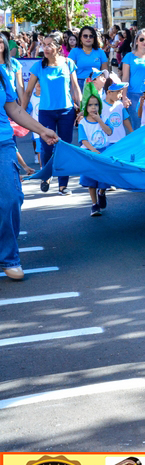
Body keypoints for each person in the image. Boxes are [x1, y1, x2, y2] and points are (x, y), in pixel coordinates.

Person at [1, 56, 58, 280]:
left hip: (3, 144)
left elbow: (14, 109)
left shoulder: (1, 74)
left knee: (11, 198)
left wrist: (42, 130)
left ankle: (8, 257)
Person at [23, 32, 82, 195]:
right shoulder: (38, 66)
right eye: (44, 44)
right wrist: (21, 111)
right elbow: (28, 92)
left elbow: (75, 87)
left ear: (58, 47)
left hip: (66, 111)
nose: (45, 48)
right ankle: (46, 175)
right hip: (46, 112)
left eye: (49, 45)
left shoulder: (69, 63)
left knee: (65, 147)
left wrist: (82, 106)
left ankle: (63, 185)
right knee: (46, 147)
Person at [77, 87, 113, 216]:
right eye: (90, 105)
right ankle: (94, 204)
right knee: (91, 181)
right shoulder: (83, 123)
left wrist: (99, 120)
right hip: (89, 154)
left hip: (104, 152)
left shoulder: (104, 118)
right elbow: (83, 140)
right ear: (85, 107)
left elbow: (109, 132)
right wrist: (93, 150)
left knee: (103, 178)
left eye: (96, 105)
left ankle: (101, 193)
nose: (93, 107)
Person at [121, 28, 145, 129]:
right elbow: (125, 78)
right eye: (142, 39)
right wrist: (124, 96)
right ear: (136, 41)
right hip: (134, 96)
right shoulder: (129, 57)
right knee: (138, 126)